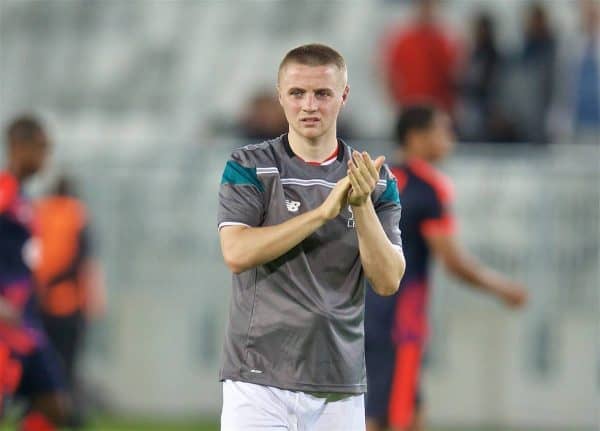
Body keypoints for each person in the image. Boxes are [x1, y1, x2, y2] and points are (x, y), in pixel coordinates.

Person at [217, 43, 406, 431]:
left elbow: (387, 281)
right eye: (297, 93)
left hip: (338, 386)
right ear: (280, 96)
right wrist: (321, 214)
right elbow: (236, 251)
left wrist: (361, 204)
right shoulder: (250, 166)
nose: (309, 105)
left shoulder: (377, 181)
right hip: (258, 380)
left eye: (322, 93)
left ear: (344, 96)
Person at [364, 105, 528, 431]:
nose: (450, 139)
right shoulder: (430, 187)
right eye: (443, 130)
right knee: (393, 415)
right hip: (402, 317)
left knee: (394, 405)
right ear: (416, 137)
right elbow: (454, 262)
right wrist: (502, 287)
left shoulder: (378, 179)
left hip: (365, 309)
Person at [0, 115, 69, 430]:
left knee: (54, 405)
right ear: (19, 147)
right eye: (41, 148)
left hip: (26, 324)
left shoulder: (24, 198)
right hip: (4, 326)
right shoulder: (4, 193)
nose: (45, 157)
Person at [34, 175, 106, 427]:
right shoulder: (77, 215)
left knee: (45, 366)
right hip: (70, 304)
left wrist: (40, 285)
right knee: (68, 366)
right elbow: (82, 259)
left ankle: (46, 415)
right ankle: (70, 416)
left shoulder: (39, 212)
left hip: (41, 303)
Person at [381, 0, 461, 116]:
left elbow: (454, 77)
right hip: (411, 107)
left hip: (438, 110)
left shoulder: (444, 41)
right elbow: (389, 75)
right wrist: (396, 102)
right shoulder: (404, 40)